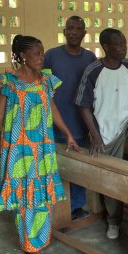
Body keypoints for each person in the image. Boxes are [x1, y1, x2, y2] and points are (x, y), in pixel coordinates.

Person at [0, 35, 80, 254]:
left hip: (42, 148)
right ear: (22, 56)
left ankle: (36, 240)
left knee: (41, 197)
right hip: (17, 147)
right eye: (37, 53)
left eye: (42, 52)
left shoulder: (47, 81)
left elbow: (53, 108)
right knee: (26, 199)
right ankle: (32, 248)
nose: (42, 57)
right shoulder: (6, 81)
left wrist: (67, 133)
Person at [75, 28, 128, 240]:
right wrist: (95, 135)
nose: (123, 48)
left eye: (125, 43)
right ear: (106, 47)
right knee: (112, 175)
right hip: (105, 129)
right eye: (118, 44)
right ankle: (114, 221)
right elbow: (83, 106)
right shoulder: (93, 70)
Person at [43, 15, 97, 221]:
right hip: (55, 122)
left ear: (84, 33)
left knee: (78, 169)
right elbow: (43, 87)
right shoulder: (51, 56)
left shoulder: (90, 58)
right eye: (70, 28)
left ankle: (75, 207)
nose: (74, 32)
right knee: (53, 168)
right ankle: (53, 207)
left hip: (81, 124)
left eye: (78, 29)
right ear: (64, 32)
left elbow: (93, 91)